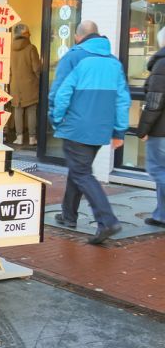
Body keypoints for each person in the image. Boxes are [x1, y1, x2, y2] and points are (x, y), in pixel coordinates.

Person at [49, 20, 131, 244]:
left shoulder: (74, 57)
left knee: (82, 173)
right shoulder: (113, 62)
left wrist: (55, 119)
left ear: (78, 37)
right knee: (79, 169)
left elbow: (59, 92)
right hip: (100, 129)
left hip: (76, 127)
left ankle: (107, 221)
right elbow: (123, 100)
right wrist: (119, 131)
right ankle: (68, 216)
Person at [137, 26, 165, 227]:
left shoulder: (162, 64)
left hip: (161, 130)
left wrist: (143, 129)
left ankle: (162, 215)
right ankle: (161, 214)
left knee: (157, 169)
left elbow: (155, 101)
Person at [10, 23, 41, 146]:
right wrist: (39, 79)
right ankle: (32, 138)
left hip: (15, 85)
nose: (30, 34)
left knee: (17, 110)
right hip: (30, 84)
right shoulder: (31, 48)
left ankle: (19, 138)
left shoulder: (10, 48)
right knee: (31, 111)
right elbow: (36, 68)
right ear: (24, 35)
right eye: (28, 32)